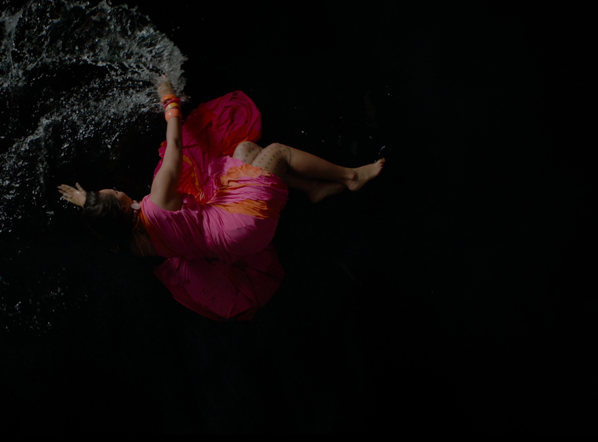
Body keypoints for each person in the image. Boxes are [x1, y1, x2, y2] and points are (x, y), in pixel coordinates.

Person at [59, 75, 385, 321]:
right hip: (243, 222)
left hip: (227, 236)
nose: (114, 189)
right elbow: (174, 145)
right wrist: (169, 100)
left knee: (245, 150)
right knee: (277, 153)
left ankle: (312, 189)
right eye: (110, 193)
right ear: (121, 205)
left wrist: (85, 201)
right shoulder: (157, 199)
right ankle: (351, 176)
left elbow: (109, 220)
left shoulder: (134, 243)